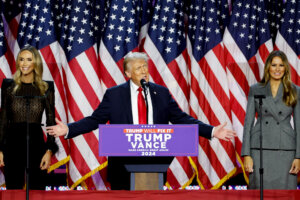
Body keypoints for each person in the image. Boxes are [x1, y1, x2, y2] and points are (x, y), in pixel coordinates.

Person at [46, 52, 236, 190]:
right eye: (138, 68)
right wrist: (69, 129)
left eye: (145, 67)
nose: (144, 71)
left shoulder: (160, 93)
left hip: (154, 162)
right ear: (127, 74)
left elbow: (181, 119)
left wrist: (211, 131)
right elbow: (95, 120)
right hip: (122, 164)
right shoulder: (114, 95)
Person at [0, 45, 58, 190]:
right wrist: (0, 149)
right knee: (13, 191)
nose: (24, 63)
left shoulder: (47, 87)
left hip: (36, 144)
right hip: (11, 145)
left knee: (37, 191)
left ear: (36, 63)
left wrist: (49, 151)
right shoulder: (8, 86)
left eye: (29, 59)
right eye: (21, 59)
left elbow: (51, 121)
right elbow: (3, 119)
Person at [242, 50, 300, 189]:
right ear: (268, 67)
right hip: (259, 150)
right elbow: (248, 123)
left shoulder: (295, 90)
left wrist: (298, 156)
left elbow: (299, 126)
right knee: (259, 193)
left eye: (281, 65)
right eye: (274, 65)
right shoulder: (256, 89)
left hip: (285, 151)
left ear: (286, 68)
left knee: (284, 195)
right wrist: (246, 154)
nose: (277, 69)